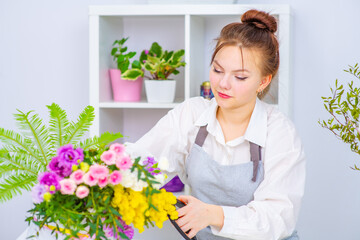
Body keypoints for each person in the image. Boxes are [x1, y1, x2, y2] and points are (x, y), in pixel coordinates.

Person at [127, 9, 305, 240]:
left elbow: (278, 218)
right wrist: (92, 175)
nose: (222, 84)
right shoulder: (191, 115)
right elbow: (142, 162)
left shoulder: (280, 133)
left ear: (263, 81)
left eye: (239, 77)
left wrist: (214, 215)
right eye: (217, 70)